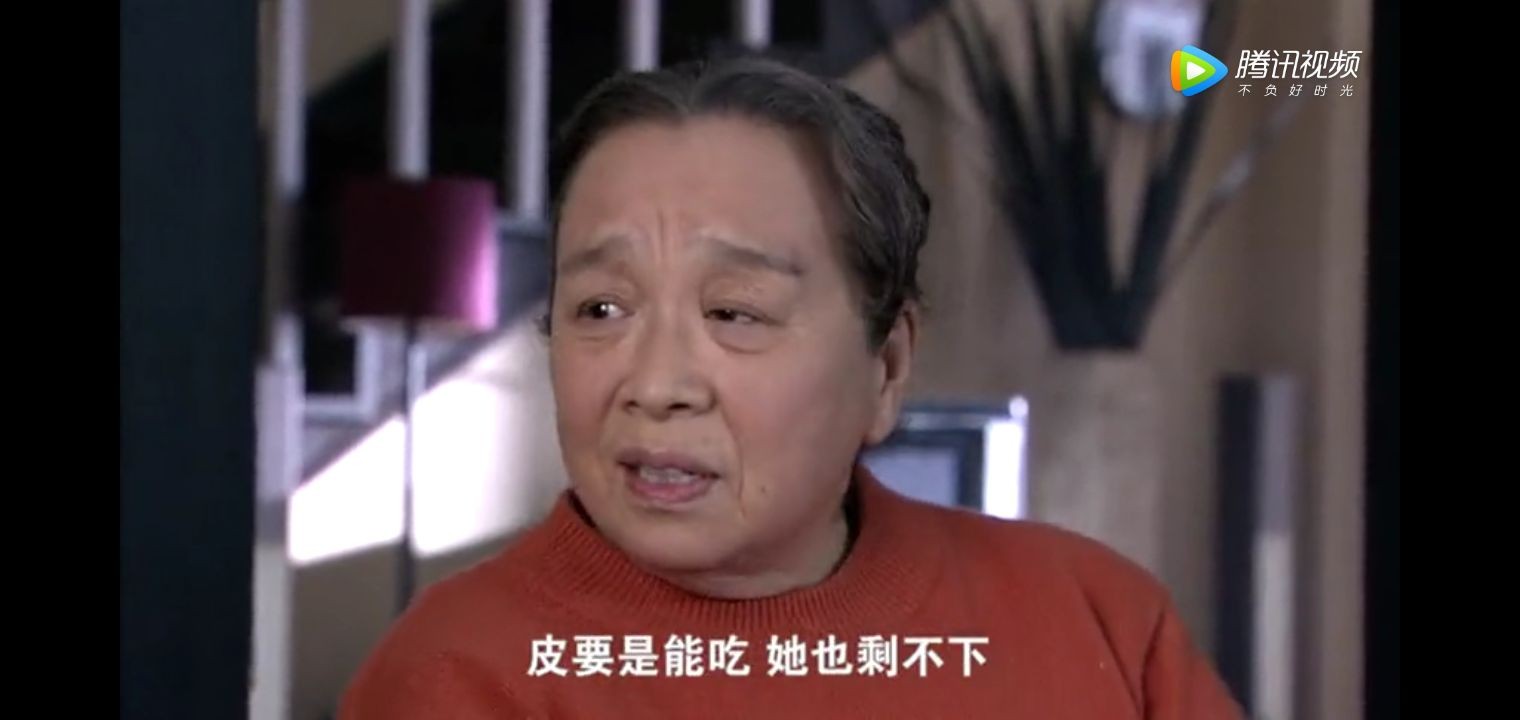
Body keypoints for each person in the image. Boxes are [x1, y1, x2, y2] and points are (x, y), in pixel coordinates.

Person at [340, 55, 1244, 719]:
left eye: (735, 312)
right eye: (601, 308)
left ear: (886, 367)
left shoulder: (1095, 620)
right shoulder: (458, 675)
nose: (655, 386)